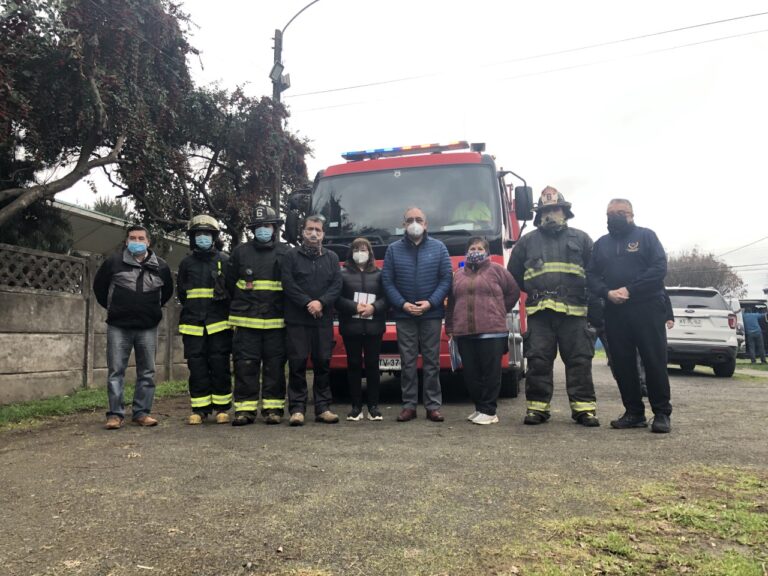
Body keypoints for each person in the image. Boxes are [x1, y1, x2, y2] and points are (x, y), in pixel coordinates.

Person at [507, 187, 600, 427]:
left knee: (579, 360)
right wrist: (535, 290)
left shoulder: (582, 239)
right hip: (540, 312)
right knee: (538, 360)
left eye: (555, 209)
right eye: (546, 210)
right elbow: (513, 276)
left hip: (575, 312)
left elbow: (596, 274)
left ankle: (584, 410)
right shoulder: (527, 241)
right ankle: (537, 409)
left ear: (565, 211)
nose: (551, 213)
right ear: (539, 214)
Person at [586, 198, 672, 433]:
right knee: (622, 364)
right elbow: (591, 275)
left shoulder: (646, 236)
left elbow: (659, 268)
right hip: (615, 310)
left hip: (647, 307)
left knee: (653, 360)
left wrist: (630, 289)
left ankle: (662, 413)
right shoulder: (601, 244)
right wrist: (606, 292)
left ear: (631, 214)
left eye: (620, 212)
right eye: (610, 213)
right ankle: (634, 412)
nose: (614, 216)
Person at [93, 225, 173, 429]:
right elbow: (99, 288)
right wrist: (115, 308)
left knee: (147, 371)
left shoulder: (161, 266)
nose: (136, 241)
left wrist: (151, 311)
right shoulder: (114, 262)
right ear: (126, 241)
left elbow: (167, 292)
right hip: (118, 326)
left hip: (147, 327)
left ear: (148, 242)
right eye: (132, 238)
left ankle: (142, 413)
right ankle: (115, 415)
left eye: (140, 238)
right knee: (115, 371)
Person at [381, 207, 452, 422]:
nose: (414, 223)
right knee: (407, 362)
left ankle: (433, 406)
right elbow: (387, 280)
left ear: (426, 224)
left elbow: (446, 279)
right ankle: (409, 405)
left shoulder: (439, 248)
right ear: (403, 225)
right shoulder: (393, 250)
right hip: (404, 316)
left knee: (432, 362)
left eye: (418, 219)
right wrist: (402, 305)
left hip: (431, 314)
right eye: (410, 220)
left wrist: (430, 303)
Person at [226, 205, 289, 426]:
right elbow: (229, 283)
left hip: (276, 320)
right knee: (245, 365)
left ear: (275, 228)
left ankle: (273, 409)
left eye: (267, 226)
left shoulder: (286, 252)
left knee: (274, 366)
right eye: (259, 226)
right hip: (246, 321)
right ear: (253, 229)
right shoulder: (240, 252)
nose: (263, 229)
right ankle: (245, 411)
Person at [445, 237, 520, 424]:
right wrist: (450, 327)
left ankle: (489, 410)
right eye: (472, 248)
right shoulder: (458, 275)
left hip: (492, 331)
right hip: (464, 332)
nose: (475, 251)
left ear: (486, 252)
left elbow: (513, 292)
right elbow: (451, 303)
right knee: (471, 373)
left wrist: (500, 309)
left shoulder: (498, 271)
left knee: (490, 372)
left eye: (480, 248)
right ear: (467, 251)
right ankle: (479, 407)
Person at [282, 215, 343, 426]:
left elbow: (336, 285)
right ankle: (297, 409)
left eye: (318, 229)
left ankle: (323, 407)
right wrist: (308, 303)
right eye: (310, 229)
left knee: (322, 363)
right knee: (297, 362)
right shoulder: (290, 256)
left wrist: (321, 303)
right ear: (303, 232)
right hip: (297, 319)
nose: (314, 233)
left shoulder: (332, 257)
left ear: (323, 234)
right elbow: (288, 284)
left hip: (322, 320)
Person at [177, 215, 232, 425]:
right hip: (193, 326)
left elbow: (231, 291)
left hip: (218, 325)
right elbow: (182, 293)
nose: (203, 238)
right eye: (199, 234)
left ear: (214, 237)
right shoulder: (186, 263)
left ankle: (221, 408)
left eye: (207, 234)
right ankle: (199, 409)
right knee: (197, 367)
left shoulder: (224, 261)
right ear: (193, 238)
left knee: (220, 366)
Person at [336, 238, 388, 421]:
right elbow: (336, 299)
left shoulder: (380, 274)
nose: (360, 252)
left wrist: (374, 308)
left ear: (370, 252)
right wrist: (354, 307)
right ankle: (356, 407)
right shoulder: (341, 273)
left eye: (364, 249)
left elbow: (387, 298)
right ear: (351, 252)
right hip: (351, 328)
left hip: (374, 328)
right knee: (354, 366)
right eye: (357, 249)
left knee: (373, 366)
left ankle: (373, 406)